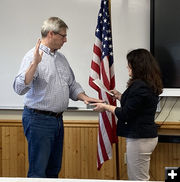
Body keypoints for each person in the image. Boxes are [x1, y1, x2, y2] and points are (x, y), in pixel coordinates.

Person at [13, 17, 102, 178]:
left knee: (54, 168)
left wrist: (84, 97)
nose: (65, 40)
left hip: (57, 120)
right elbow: (19, 88)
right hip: (38, 120)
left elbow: (71, 84)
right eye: (63, 36)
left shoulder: (61, 59)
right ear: (51, 34)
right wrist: (35, 64)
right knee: (38, 171)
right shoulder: (32, 57)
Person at [92, 48, 163, 181]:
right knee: (138, 177)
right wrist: (120, 96)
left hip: (140, 138)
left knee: (137, 178)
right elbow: (136, 105)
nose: (127, 67)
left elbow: (125, 114)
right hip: (144, 137)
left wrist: (105, 106)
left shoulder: (139, 86)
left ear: (138, 66)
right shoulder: (147, 83)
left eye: (129, 64)